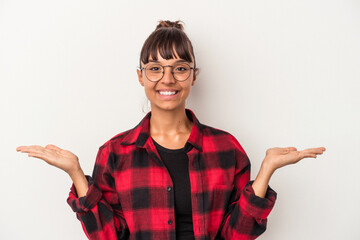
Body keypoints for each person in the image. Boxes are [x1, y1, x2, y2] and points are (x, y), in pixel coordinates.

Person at [16, 20, 326, 240]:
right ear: (141, 77)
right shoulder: (114, 153)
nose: (167, 79)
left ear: (194, 76)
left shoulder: (226, 148)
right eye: (155, 69)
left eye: (179, 68)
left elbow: (237, 235)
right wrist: (75, 173)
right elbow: (109, 236)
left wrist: (267, 171)